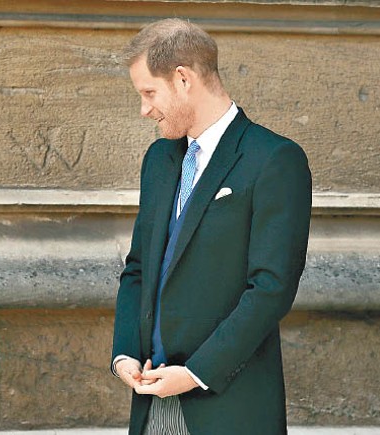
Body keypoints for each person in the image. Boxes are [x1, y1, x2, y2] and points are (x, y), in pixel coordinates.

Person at [111, 18, 311, 435]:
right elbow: (138, 268)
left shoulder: (274, 160)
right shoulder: (158, 160)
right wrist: (124, 354)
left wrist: (196, 373)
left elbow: (271, 289)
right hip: (151, 408)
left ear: (183, 79)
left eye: (149, 93)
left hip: (229, 407)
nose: (144, 109)